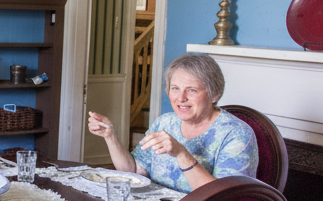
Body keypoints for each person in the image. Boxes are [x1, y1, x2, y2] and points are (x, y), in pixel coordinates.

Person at [87, 52, 257, 192]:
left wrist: (181, 154)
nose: (181, 98)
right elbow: (134, 171)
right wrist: (110, 137)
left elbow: (224, 198)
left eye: (191, 90)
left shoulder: (236, 134)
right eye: (175, 88)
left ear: (215, 94)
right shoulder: (165, 123)